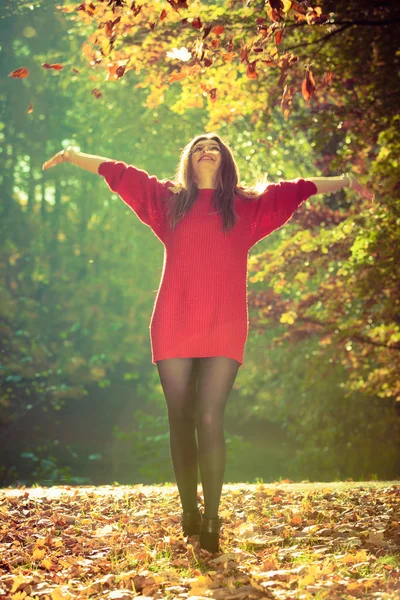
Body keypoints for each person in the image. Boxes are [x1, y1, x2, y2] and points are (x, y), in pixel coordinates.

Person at [42, 133, 374, 553]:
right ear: (189, 158)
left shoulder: (248, 206)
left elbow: (297, 189)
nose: (206, 151)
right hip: (174, 320)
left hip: (224, 322)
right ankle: (189, 513)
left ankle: (213, 518)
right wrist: (73, 156)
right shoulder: (168, 202)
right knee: (179, 417)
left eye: (214, 147)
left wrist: (345, 180)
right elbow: (121, 173)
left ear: (225, 159)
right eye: (199, 146)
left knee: (209, 417)